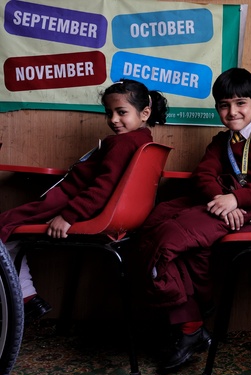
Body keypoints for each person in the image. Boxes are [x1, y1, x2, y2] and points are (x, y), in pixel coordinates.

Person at [135, 67, 251, 373]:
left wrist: (238, 200)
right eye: (224, 105)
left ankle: (193, 321)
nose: (232, 112)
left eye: (240, 103)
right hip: (224, 208)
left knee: (170, 241)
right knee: (156, 221)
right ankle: (190, 322)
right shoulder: (221, 141)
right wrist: (224, 200)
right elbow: (202, 175)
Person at [0, 79, 168, 323]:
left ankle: (26, 299)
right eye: (109, 113)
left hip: (68, 205)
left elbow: (102, 188)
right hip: (82, 206)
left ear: (144, 113)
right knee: (9, 232)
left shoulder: (121, 143)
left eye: (121, 112)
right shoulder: (142, 140)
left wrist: (68, 216)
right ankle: (27, 299)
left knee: (4, 226)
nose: (113, 120)